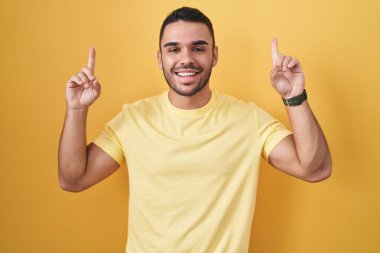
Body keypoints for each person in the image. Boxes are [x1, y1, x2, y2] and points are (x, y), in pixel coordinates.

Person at [58, 6, 332, 253]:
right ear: (160, 57)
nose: (186, 59)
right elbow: (73, 180)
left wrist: (294, 96)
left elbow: (315, 169)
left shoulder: (250, 120)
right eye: (174, 49)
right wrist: (77, 109)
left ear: (214, 56)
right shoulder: (133, 119)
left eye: (198, 48)